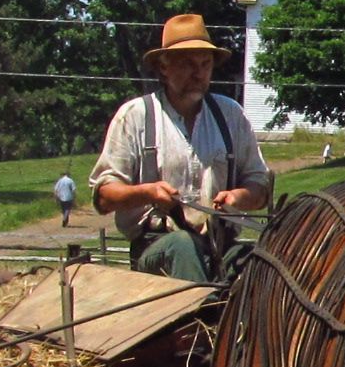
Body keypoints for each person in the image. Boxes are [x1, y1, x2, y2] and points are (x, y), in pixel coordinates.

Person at [90, 14, 271, 282]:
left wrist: (240, 198)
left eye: (205, 64)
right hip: (157, 248)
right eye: (187, 64)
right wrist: (148, 193)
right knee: (183, 247)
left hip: (221, 245)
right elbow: (104, 197)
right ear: (164, 68)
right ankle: (201, 320)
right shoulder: (135, 116)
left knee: (265, 263)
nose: (198, 74)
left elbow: (260, 185)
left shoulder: (231, 115)